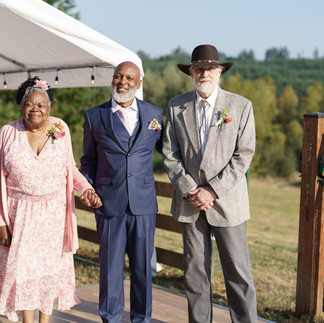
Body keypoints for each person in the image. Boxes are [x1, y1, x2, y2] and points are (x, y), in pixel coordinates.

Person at [163, 44, 257, 323]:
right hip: (190, 202)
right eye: (198, 68)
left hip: (227, 203)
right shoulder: (176, 105)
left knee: (238, 273)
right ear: (191, 72)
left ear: (219, 71)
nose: (204, 73)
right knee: (195, 274)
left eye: (210, 68)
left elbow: (245, 154)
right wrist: (191, 189)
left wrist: (212, 190)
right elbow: (170, 153)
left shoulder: (241, 106)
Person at [0, 76, 102, 323]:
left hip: (54, 215)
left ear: (49, 108)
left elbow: (70, 169)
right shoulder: (7, 133)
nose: (35, 109)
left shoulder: (60, 129)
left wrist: (86, 189)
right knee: (24, 273)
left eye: (41, 105)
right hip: (20, 214)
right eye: (29, 104)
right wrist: (0, 222)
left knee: (47, 272)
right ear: (21, 105)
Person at [81, 61, 163, 323]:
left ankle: (141, 319)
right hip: (108, 204)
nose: (122, 81)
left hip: (143, 204)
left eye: (129, 78)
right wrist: (88, 187)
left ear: (139, 84)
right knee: (110, 269)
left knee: (143, 269)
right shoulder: (94, 116)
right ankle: (111, 318)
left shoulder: (154, 114)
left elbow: (170, 152)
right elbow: (88, 161)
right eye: (118, 76)